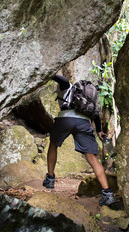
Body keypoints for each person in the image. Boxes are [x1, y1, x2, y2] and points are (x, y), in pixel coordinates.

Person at [42, 75, 115, 206]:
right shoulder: (88, 99)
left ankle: (50, 179)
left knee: (53, 144)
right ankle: (107, 193)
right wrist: (99, 131)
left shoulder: (67, 87)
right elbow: (95, 114)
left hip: (66, 119)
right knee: (92, 158)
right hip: (84, 122)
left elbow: (63, 80)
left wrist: (49, 74)